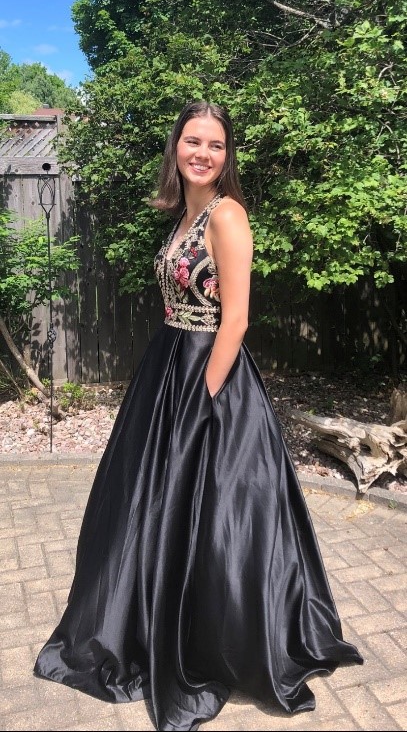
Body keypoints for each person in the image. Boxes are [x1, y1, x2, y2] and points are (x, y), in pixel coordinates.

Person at [34, 100, 363, 731]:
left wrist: (201, 401)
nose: (203, 153)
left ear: (226, 154)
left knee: (215, 514)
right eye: (192, 141)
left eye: (215, 144)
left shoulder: (228, 215)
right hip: (169, 365)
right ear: (176, 148)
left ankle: (213, 638)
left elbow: (235, 319)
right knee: (149, 504)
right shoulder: (185, 213)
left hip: (211, 378)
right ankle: (150, 620)